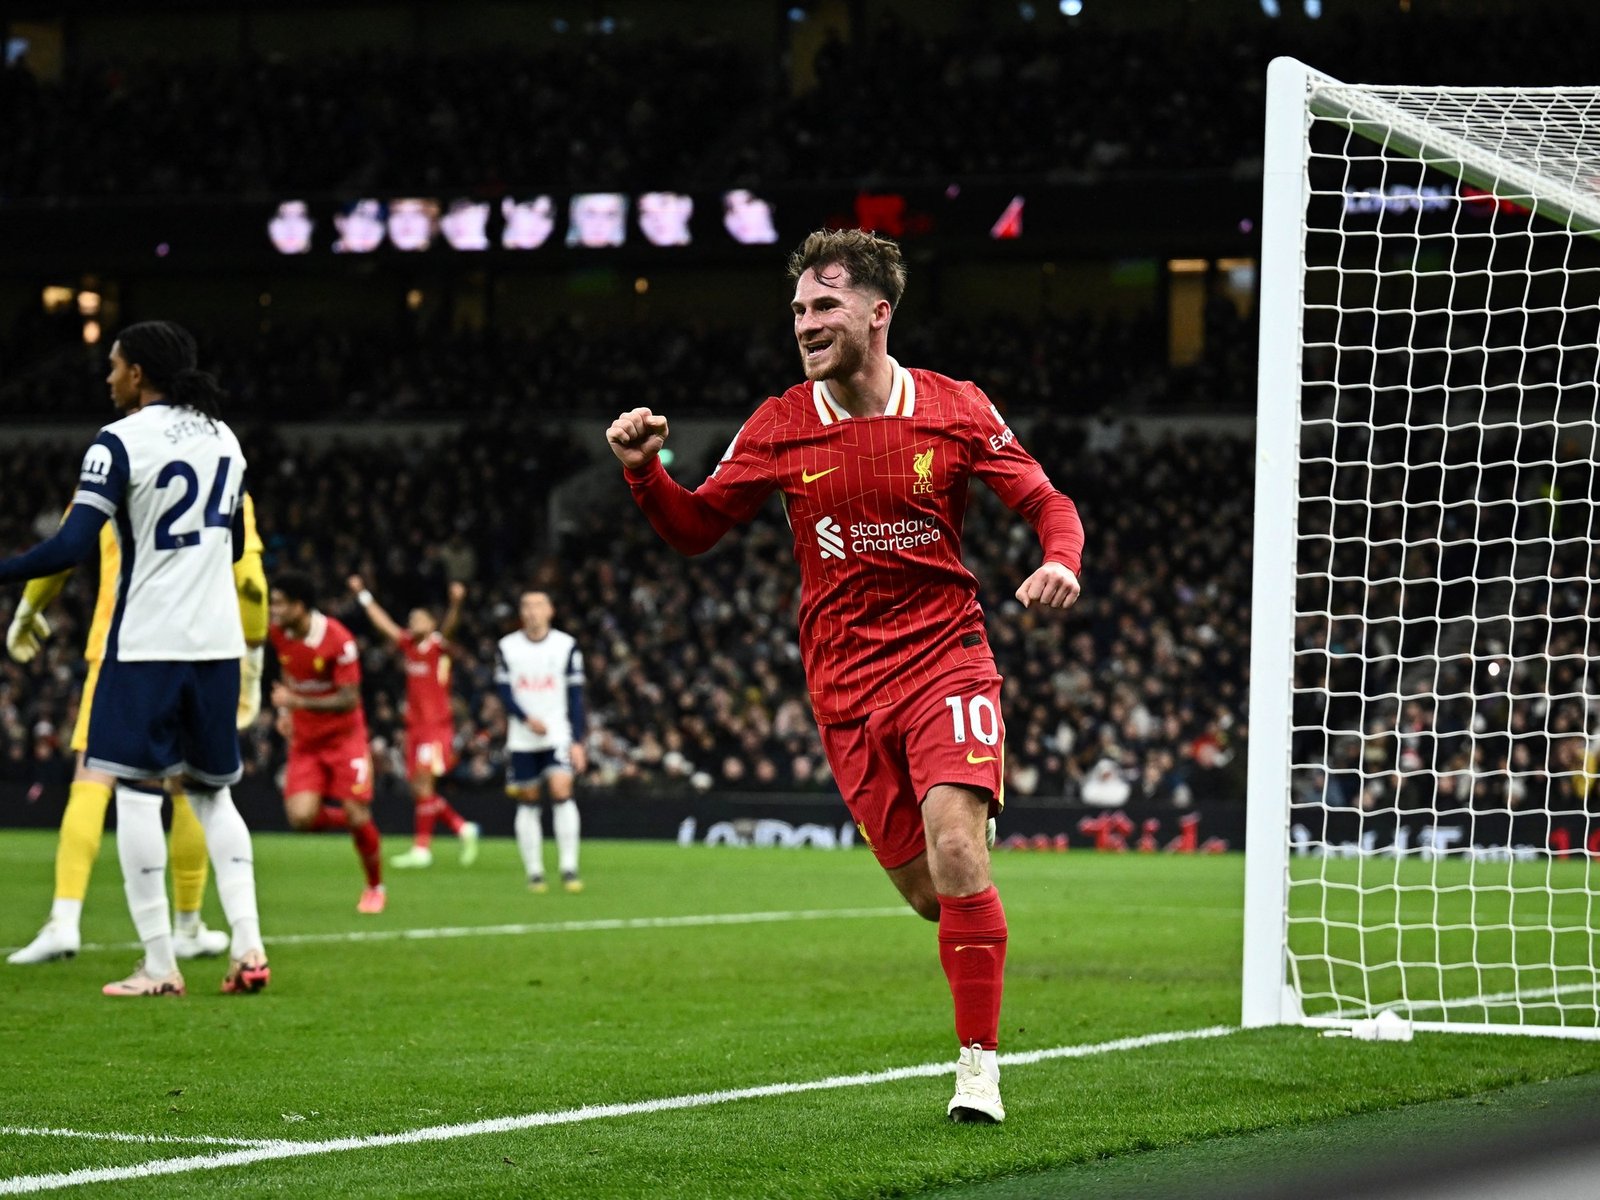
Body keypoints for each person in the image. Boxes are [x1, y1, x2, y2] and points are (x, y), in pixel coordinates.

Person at [606, 229, 1083, 1123]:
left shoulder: (955, 407)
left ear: (877, 313)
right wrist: (645, 476)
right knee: (928, 891)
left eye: (824, 306)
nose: (806, 323)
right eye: (797, 311)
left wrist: (1061, 558)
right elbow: (698, 527)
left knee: (953, 848)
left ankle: (977, 1069)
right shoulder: (780, 423)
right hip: (845, 690)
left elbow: (1047, 502)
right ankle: (979, 913)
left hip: (948, 661)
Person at [0, 321, 269, 997]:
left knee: (138, 793)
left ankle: (158, 964)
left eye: (115, 366)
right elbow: (238, 547)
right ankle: (250, 947)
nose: (108, 377)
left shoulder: (117, 441)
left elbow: (67, 549)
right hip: (217, 646)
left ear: (140, 374)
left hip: (146, 644)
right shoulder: (224, 437)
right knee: (213, 795)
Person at [5, 489, 269, 966]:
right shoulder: (224, 461)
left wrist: (27, 610)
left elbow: (67, 549)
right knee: (198, 788)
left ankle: (69, 921)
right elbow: (250, 583)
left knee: (100, 779)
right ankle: (193, 927)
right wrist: (252, 662)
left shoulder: (123, 457)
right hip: (204, 647)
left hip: (126, 644)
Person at [269, 570, 386, 913]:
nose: (273, 611)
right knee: (301, 819)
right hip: (305, 741)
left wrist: (296, 702)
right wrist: (287, 713)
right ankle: (358, 821)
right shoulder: (279, 633)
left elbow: (349, 699)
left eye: (279, 604)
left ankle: (375, 886)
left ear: (299, 606)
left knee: (354, 809)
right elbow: (290, 671)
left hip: (344, 739)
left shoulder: (338, 640)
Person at [347, 574, 480, 868]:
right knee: (420, 789)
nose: (413, 621)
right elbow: (384, 624)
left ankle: (422, 848)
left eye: (419, 618)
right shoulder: (408, 645)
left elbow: (451, 627)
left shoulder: (437, 646)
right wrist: (363, 595)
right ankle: (461, 827)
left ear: (431, 624)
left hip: (436, 726)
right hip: (415, 726)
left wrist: (456, 604)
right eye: (411, 617)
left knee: (423, 784)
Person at [496, 590, 588, 892]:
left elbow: (576, 696)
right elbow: (504, 692)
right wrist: (524, 719)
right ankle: (534, 871)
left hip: (557, 732)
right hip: (523, 737)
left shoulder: (566, 646)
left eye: (538, 605)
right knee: (529, 799)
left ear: (550, 610)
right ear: (521, 613)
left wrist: (577, 740)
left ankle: (569, 867)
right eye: (526, 606)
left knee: (562, 790)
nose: (532, 611)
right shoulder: (507, 647)